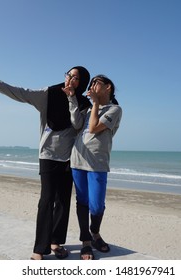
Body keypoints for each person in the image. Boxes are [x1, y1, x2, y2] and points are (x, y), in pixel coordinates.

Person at [0, 66, 91, 260]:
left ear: (81, 83)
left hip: (69, 158)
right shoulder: (49, 94)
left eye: (76, 78)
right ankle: (40, 248)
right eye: (69, 75)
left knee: (63, 202)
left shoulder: (83, 103)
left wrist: (72, 98)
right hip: (48, 155)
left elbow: (77, 125)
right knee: (46, 200)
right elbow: (22, 93)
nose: (70, 80)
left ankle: (55, 242)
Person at [65, 75, 122, 260]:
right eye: (91, 84)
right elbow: (76, 124)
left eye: (96, 83)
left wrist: (96, 104)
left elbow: (94, 128)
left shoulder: (114, 109)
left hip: (97, 163)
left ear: (108, 87)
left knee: (96, 206)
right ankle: (86, 242)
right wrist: (72, 98)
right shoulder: (89, 108)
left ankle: (95, 232)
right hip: (78, 159)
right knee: (82, 202)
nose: (92, 86)